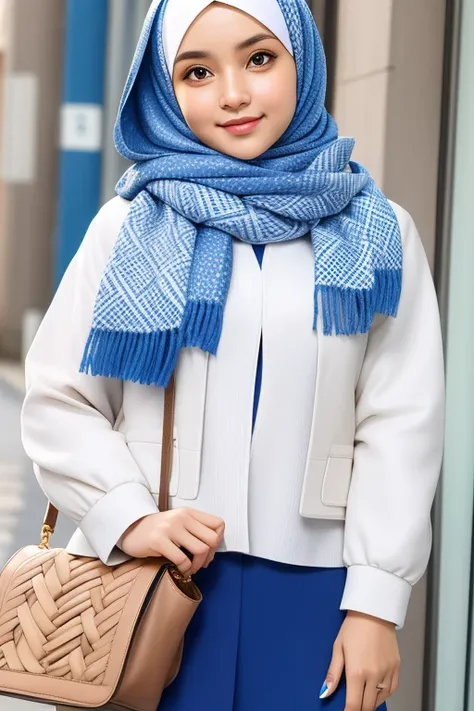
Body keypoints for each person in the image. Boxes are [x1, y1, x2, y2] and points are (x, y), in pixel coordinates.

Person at [21, 0, 445, 709]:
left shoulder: (378, 229)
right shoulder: (127, 226)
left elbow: (400, 423)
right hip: (153, 582)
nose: (233, 94)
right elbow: (60, 397)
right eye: (196, 71)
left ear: (301, 62)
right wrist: (129, 514)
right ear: (164, 87)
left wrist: (377, 600)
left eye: (259, 59)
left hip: (318, 592)